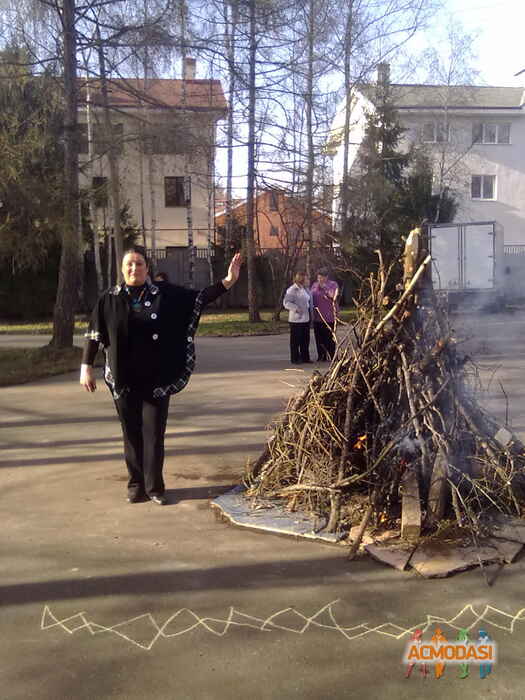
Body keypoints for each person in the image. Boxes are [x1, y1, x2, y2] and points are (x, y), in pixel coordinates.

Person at [80, 246, 242, 505]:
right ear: (122, 269)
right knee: (131, 434)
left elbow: (199, 298)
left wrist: (228, 281)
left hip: (157, 379)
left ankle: (155, 487)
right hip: (122, 379)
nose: (134, 269)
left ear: (147, 268)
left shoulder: (164, 294)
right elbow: (94, 334)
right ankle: (136, 486)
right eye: (130, 264)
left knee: (154, 434)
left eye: (140, 264)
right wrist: (86, 366)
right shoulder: (109, 298)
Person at [283, 271, 312, 364]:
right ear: (301, 279)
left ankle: (305, 358)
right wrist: (296, 308)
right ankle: (295, 358)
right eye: (307, 278)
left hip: (306, 318)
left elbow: (309, 301)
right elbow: (286, 303)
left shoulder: (306, 289)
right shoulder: (292, 290)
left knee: (305, 340)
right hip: (296, 320)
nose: (308, 280)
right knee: (295, 340)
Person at [310, 268, 339, 362]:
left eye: (321, 277)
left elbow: (333, 296)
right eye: (318, 278)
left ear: (326, 277)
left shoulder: (333, 284)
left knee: (329, 338)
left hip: (329, 316)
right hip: (317, 317)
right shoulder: (314, 285)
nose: (320, 280)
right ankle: (321, 356)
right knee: (319, 338)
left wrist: (325, 288)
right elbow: (311, 296)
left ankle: (332, 355)